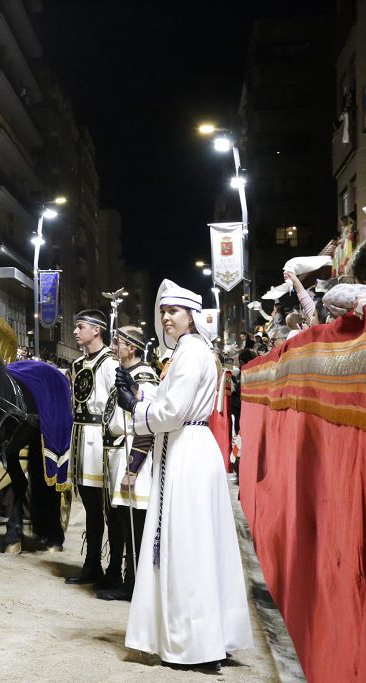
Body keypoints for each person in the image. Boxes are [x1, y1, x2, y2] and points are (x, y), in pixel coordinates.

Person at [115, 280, 252, 670]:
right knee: (199, 544)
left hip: (186, 451)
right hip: (190, 445)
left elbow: (173, 411)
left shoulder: (190, 354)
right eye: (163, 312)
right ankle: (210, 636)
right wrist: (142, 398)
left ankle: (193, 643)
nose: (166, 318)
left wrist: (136, 409)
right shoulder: (192, 352)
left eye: (173, 311)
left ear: (191, 315)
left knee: (186, 545)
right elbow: (172, 402)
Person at [98, 325, 158, 602]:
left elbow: (147, 425)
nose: (112, 347)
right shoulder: (129, 374)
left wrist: (133, 469)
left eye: (117, 343)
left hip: (134, 457)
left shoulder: (144, 377)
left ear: (131, 348)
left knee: (134, 524)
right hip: (118, 454)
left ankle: (133, 583)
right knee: (120, 520)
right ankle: (120, 576)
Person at [63, 309, 121, 585]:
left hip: (100, 439)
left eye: (80, 326)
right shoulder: (78, 364)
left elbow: (117, 405)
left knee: (109, 508)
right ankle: (92, 564)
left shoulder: (110, 363)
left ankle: (114, 568)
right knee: (90, 506)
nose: (75, 332)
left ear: (96, 330)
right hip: (81, 437)